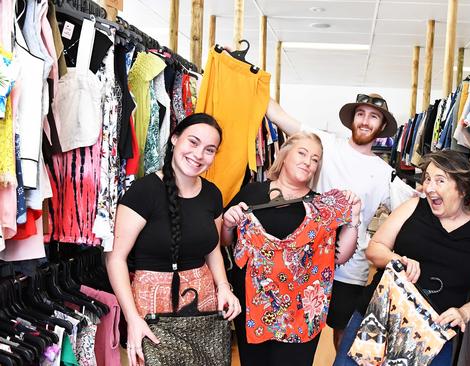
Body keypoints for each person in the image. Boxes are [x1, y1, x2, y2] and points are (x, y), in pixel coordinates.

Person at [266, 93, 416, 349]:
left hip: (350, 270)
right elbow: (278, 115)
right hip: (307, 259)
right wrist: (247, 74)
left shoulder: (384, 173)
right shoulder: (325, 144)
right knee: (296, 328)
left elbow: (414, 206)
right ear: (352, 119)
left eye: (374, 116)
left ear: (381, 127)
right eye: (361, 114)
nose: (365, 121)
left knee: (343, 335)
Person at [333, 150, 470, 366]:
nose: (429, 187)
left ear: (462, 188)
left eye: (440, 180)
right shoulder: (413, 208)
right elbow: (375, 248)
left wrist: (465, 312)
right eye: (428, 179)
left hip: (432, 338)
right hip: (378, 320)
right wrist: (396, 259)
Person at [107, 113, 241, 366]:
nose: (199, 154)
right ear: (175, 138)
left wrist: (223, 286)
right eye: (193, 142)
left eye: (209, 149)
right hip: (152, 301)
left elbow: (212, 247)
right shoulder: (143, 192)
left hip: (203, 296)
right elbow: (116, 258)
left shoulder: (212, 194)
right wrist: (132, 317)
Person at [221, 132, 362, 366]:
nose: (308, 162)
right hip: (253, 307)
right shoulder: (252, 193)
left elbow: (339, 256)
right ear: (284, 155)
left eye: (315, 159)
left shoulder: (320, 208)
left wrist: (353, 217)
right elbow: (227, 241)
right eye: (303, 153)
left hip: (301, 313)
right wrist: (228, 223)